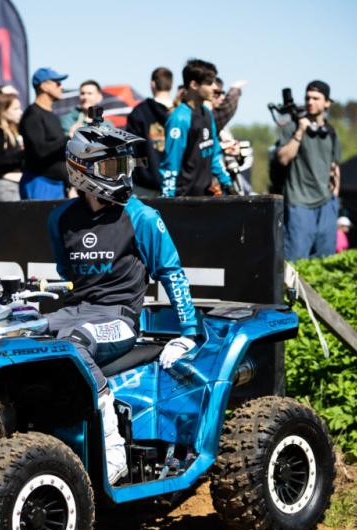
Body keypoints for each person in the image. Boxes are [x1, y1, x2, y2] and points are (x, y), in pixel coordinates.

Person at [47, 119, 199, 484]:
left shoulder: (142, 216)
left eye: (125, 165)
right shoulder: (60, 219)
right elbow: (68, 275)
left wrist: (189, 333)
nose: (123, 175)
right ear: (82, 169)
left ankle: (113, 451)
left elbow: (172, 273)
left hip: (120, 319)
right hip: (74, 312)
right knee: (17, 338)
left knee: (73, 345)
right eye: (113, 166)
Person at [276, 80, 341, 261]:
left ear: (327, 103)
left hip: (326, 204)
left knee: (326, 261)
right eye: (307, 98)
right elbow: (283, 158)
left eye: (316, 98)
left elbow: (335, 165)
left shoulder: (331, 132)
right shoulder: (292, 127)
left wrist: (335, 195)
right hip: (299, 204)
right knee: (296, 262)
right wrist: (300, 131)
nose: (310, 102)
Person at [159, 59, 233, 197]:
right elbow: (171, 163)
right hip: (183, 198)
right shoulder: (179, 118)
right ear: (194, 85)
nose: (215, 88)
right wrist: (168, 199)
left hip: (205, 196)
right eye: (209, 83)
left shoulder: (207, 114)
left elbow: (214, 154)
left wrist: (227, 183)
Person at [20, 67, 69, 200]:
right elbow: (40, 150)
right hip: (40, 183)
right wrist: (68, 138)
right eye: (57, 83)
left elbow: (59, 151)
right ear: (44, 86)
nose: (61, 87)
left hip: (58, 185)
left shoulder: (53, 116)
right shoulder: (32, 115)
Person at [126, 67, 173, 197]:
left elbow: (130, 149)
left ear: (153, 84)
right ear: (171, 85)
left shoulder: (139, 112)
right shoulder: (181, 113)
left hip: (145, 184)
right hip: (175, 183)